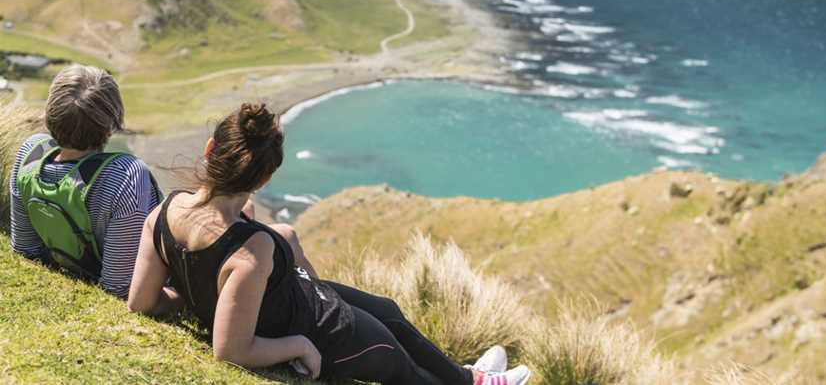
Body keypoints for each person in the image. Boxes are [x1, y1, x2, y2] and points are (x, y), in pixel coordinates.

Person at [127, 103, 530, 385]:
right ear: (264, 178)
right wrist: (299, 345)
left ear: (210, 150)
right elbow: (230, 350)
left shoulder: (163, 213)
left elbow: (140, 302)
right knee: (404, 370)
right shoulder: (251, 250)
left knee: (388, 311)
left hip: (299, 300)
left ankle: (470, 378)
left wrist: (191, 293)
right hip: (325, 331)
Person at [8, 64, 167, 300]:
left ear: (51, 112)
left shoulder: (30, 153)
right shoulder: (126, 174)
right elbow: (119, 287)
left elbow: (25, 249)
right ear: (111, 123)